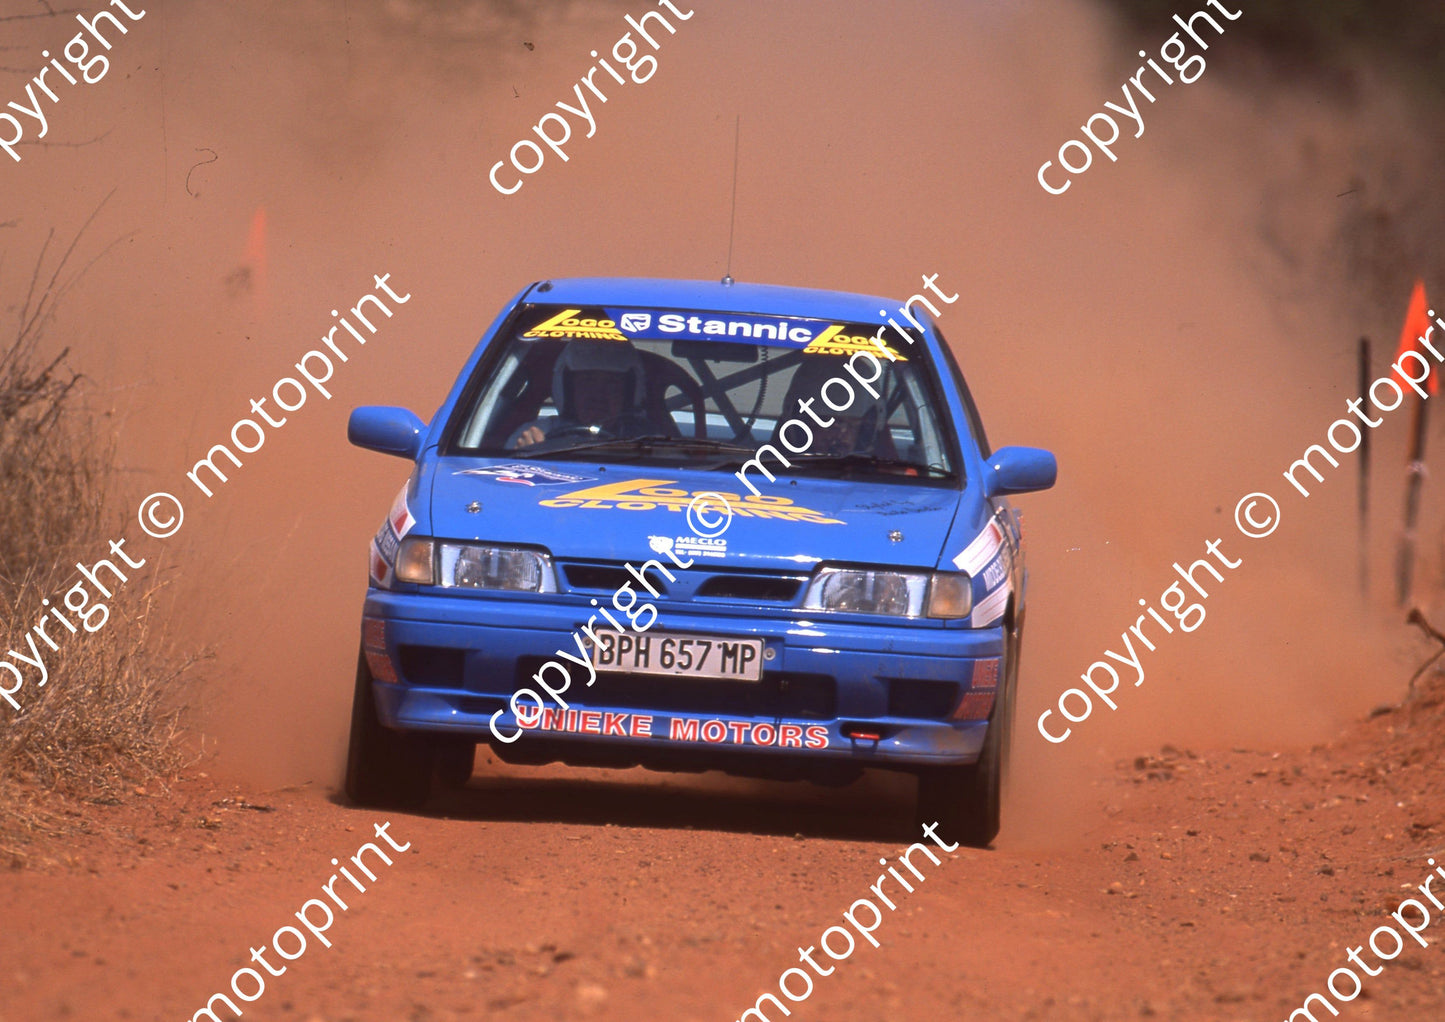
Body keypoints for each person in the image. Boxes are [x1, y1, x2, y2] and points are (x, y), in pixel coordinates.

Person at [510, 340, 658, 449]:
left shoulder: (649, 443)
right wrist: (522, 455)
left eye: (611, 384)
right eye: (588, 381)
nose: (598, 395)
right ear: (568, 389)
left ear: (628, 393)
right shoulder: (537, 436)